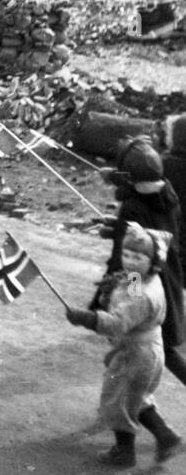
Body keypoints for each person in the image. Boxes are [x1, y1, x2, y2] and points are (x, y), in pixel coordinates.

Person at [67, 222, 180, 467]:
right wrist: (115, 288)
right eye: (126, 255)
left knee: (117, 399)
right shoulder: (143, 279)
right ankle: (165, 435)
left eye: (137, 257)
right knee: (134, 396)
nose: (129, 261)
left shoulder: (143, 294)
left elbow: (119, 321)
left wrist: (88, 318)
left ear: (153, 260)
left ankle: (124, 452)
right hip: (149, 350)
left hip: (135, 353)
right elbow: (128, 293)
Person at [93, 136, 186, 388]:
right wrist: (116, 228)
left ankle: (131, 404)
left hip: (141, 283)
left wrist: (125, 294)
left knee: (142, 339)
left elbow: (128, 259)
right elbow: (149, 234)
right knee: (156, 342)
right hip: (166, 277)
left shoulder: (133, 206)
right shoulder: (168, 194)